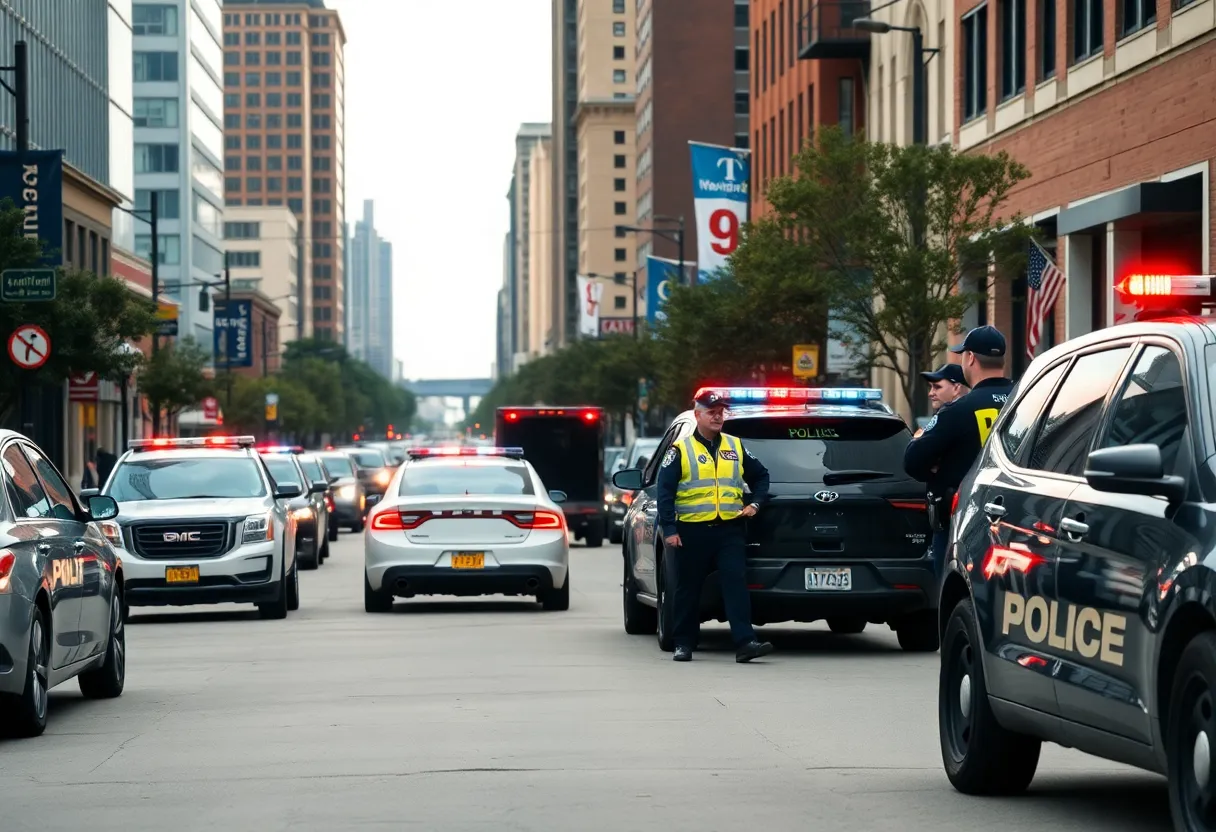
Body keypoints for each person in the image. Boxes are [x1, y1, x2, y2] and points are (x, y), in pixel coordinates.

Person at [656, 390, 774, 663]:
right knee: (687, 588)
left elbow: (761, 476)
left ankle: (746, 642)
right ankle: (683, 643)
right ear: (697, 415)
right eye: (712, 411)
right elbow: (665, 492)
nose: (719, 415)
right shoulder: (680, 450)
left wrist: (756, 503)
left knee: (735, 583)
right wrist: (670, 530)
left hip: (729, 529)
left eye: (722, 410)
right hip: (692, 531)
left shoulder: (734, 445)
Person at [904, 326, 1014, 571]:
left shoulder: (959, 410)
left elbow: (912, 461)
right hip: (1016, 521)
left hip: (962, 523)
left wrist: (939, 470)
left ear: (971, 358)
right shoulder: (1026, 400)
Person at [913, 363, 969, 438]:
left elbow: (915, 448)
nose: (930, 393)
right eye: (931, 387)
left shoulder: (949, 421)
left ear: (956, 388)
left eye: (937, 387)